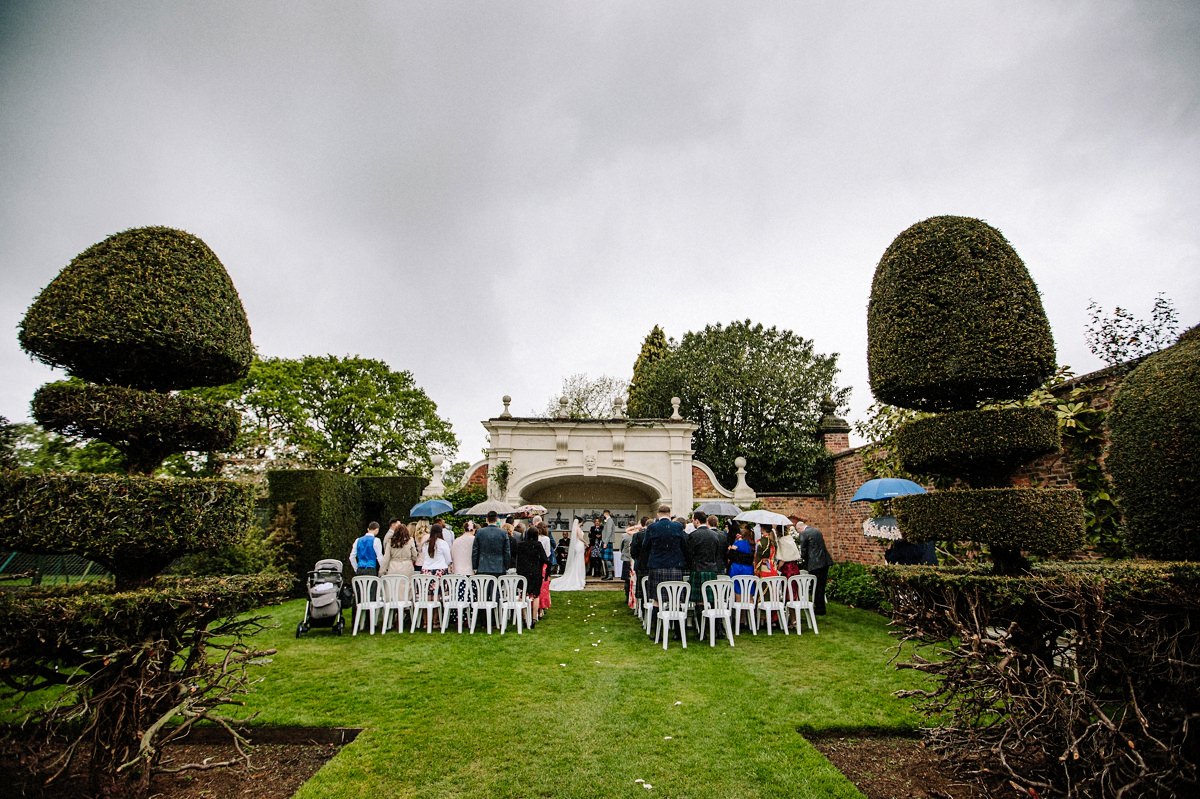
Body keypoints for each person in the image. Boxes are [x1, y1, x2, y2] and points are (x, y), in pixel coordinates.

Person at [643, 505, 690, 615]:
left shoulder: (652, 527)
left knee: (657, 599)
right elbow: (684, 546)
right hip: (675, 565)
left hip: (656, 566)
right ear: (669, 514)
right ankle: (677, 629)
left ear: (658, 514)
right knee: (675, 597)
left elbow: (645, 547)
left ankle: (656, 627)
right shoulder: (677, 526)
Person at [686, 512, 726, 609]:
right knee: (710, 597)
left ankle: (700, 623)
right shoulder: (715, 535)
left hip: (697, 569)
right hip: (711, 568)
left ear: (697, 521)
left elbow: (689, 554)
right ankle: (710, 622)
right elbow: (716, 553)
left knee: (699, 600)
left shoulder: (693, 535)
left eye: (693, 520)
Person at [797, 518, 833, 615]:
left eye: (798, 530)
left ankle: (819, 609)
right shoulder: (817, 531)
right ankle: (821, 607)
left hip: (814, 564)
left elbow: (803, 551)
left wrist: (803, 560)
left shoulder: (803, 534)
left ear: (799, 528)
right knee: (821, 585)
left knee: (815, 586)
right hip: (825, 561)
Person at [514, 526, 549, 625]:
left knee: (523, 594)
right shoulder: (538, 545)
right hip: (535, 572)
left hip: (523, 573)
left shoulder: (521, 545)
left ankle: (525, 618)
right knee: (536, 595)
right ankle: (533, 618)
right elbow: (545, 559)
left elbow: (518, 559)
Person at [550, 517, 588, 591]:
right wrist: (585, 542)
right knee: (578, 561)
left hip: (579, 545)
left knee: (578, 561)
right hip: (579, 545)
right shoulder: (578, 528)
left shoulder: (576, 528)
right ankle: (578, 577)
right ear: (580, 522)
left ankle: (578, 576)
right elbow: (580, 537)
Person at [472, 511, 512, 578]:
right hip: (499, 567)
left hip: (483, 566)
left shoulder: (479, 532)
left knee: (484, 588)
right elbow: (507, 551)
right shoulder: (503, 533)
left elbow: (475, 551)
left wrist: (475, 566)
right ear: (496, 519)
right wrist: (507, 566)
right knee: (497, 587)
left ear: (487, 519)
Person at [600, 509, 616, 580]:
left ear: (605, 513)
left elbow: (609, 532)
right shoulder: (607, 521)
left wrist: (605, 542)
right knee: (605, 559)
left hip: (607, 542)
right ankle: (607, 574)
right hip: (606, 541)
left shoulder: (610, 521)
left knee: (607, 559)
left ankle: (610, 575)